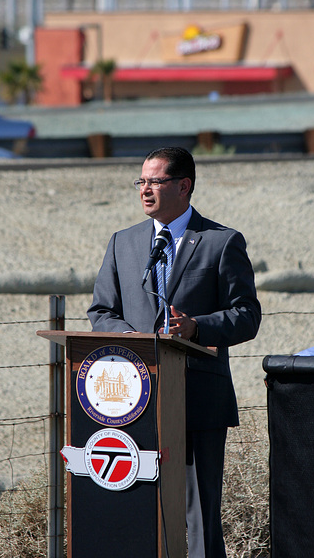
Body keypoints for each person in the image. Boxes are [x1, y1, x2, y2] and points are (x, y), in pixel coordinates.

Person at [87, 147, 261, 558]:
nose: (145, 190)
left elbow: (247, 315)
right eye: (141, 182)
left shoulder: (221, 242)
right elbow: (100, 311)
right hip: (132, 402)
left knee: (199, 517)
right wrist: (132, 338)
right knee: (139, 510)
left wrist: (197, 327)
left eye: (155, 182)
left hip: (198, 401)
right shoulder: (123, 243)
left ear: (183, 186)